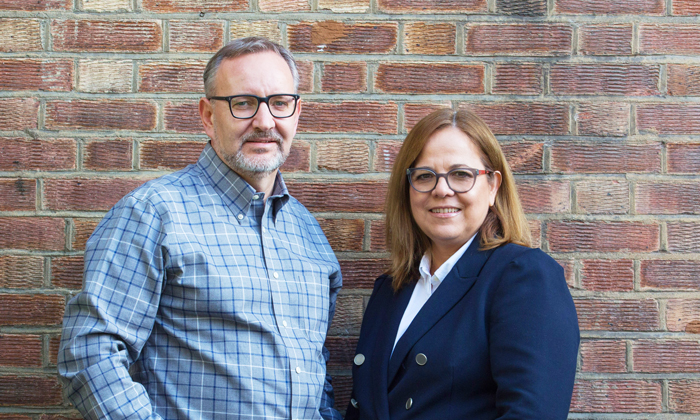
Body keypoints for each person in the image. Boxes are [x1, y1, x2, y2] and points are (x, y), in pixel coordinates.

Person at [58, 37, 342, 420]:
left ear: (296, 112)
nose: (265, 122)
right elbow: (91, 353)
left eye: (279, 103)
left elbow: (313, 368)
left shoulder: (309, 235)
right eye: (243, 103)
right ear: (208, 116)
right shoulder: (154, 214)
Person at [345, 109, 579, 420]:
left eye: (461, 175)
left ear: (493, 186)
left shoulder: (523, 277)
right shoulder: (390, 290)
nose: (442, 189)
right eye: (424, 176)